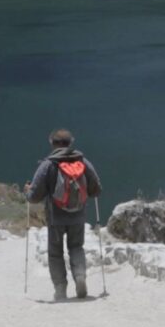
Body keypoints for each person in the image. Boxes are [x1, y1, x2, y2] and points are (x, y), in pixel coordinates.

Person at [24, 128, 103, 301]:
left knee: (55, 253)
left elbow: (35, 196)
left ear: (52, 143)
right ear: (71, 142)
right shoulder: (83, 162)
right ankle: (80, 276)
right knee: (76, 247)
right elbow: (96, 188)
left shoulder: (48, 165)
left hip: (55, 217)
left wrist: (28, 191)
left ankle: (60, 289)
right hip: (78, 216)